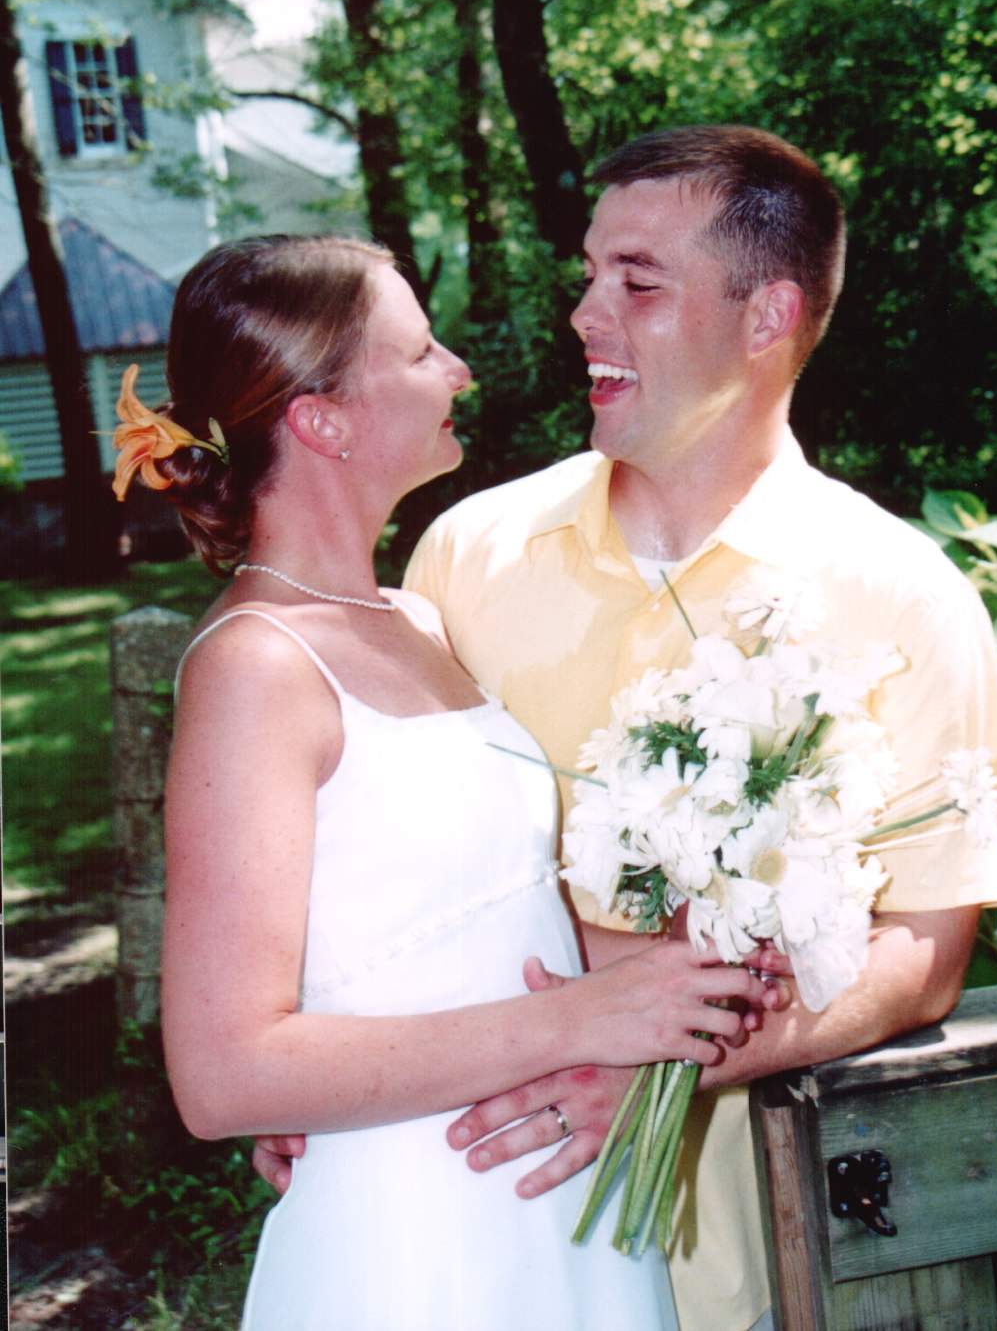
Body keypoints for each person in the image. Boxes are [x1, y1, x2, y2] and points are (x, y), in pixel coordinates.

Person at [253, 127, 997, 1331]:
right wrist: (322, 1056)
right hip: (468, 1218)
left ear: (767, 315)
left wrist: (678, 1058)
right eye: (588, 273)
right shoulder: (467, 553)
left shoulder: (905, 597)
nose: (584, 313)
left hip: (758, 1244)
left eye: (638, 280)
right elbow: (377, 849)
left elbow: (926, 951)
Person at [133, 233, 785, 1331]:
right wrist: (579, 1019)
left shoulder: (415, 619)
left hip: (549, 1207)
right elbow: (225, 1070)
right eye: (420, 351)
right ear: (323, 419)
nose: (459, 372)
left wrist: (694, 967)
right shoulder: (256, 665)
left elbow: (462, 923)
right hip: (415, 1239)